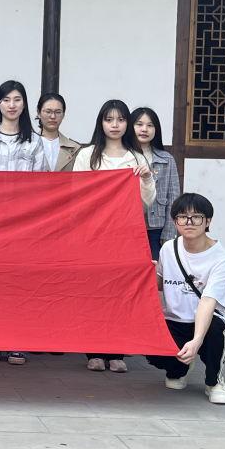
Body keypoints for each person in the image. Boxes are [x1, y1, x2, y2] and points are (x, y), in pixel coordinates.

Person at [74, 99, 157, 374]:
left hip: (125, 236)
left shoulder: (137, 157)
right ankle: (94, 352)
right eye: (109, 119)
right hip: (94, 235)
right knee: (94, 292)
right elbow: (78, 195)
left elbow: (146, 201)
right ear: (101, 122)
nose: (115, 125)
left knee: (121, 293)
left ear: (127, 124)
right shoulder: (87, 155)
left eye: (120, 119)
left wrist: (146, 178)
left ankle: (116, 352)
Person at [0, 80, 47, 366]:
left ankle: (17, 342)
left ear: (24, 104)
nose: (11, 105)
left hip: (23, 227)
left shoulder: (35, 142)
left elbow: (41, 188)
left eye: (17, 99)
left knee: (19, 284)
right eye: (6, 100)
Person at [147, 193, 225, 404]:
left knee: (215, 329)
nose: (189, 222)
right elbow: (161, 284)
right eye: (182, 217)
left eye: (196, 217)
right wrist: (146, 271)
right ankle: (179, 370)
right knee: (152, 347)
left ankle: (214, 382)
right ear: (174, 221)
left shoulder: (222, 258)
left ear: (208, 221)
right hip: (175, 319)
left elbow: (208, 301)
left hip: (206, 318)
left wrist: (196, 340)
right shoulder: (169, 249)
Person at [131, 107, 180, 261]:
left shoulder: (166, 159)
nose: (144, 129)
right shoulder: (122, 156)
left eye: (150, 125)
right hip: (127, 227)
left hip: (156, 229)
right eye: (139, 124)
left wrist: (168, 233)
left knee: (155, 270)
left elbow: (173, 199)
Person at [36, 93, 81, 172]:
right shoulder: (28, 145)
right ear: (38, 113)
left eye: (58, 112)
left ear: (63, 114)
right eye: (48, 111)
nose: (53, 116)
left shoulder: (74, 149)